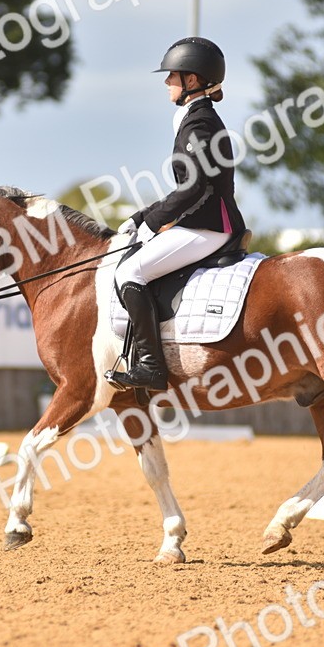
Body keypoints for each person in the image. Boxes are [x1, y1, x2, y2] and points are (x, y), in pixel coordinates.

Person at [106, 37, 247, 391]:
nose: (166, 81)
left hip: (210, 225)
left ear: (193, 81)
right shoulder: (196, 119)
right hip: (204, 219)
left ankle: (151, 368)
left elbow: (195, 187)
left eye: (172, 75)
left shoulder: (198, 124)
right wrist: (142, 217)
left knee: (130, 272)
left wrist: (152, 225)